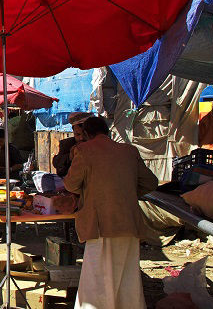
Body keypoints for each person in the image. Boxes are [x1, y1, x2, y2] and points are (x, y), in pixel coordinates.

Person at [63, 116, 158, 309]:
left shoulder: (83, 150)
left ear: (87, 134)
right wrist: (125, 192)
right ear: (107, 131)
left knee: (97, 279)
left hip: (100, 225)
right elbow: (150, 182)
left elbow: (71, 184)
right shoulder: (129, 151)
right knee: (127, 278)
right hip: (128, 222)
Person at [52, 112, 93, 177]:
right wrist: (70, 157)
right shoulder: (67, 144)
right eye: (78, 134)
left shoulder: (97, 144)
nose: (81, 138)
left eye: (85, 134)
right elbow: (57, 165)